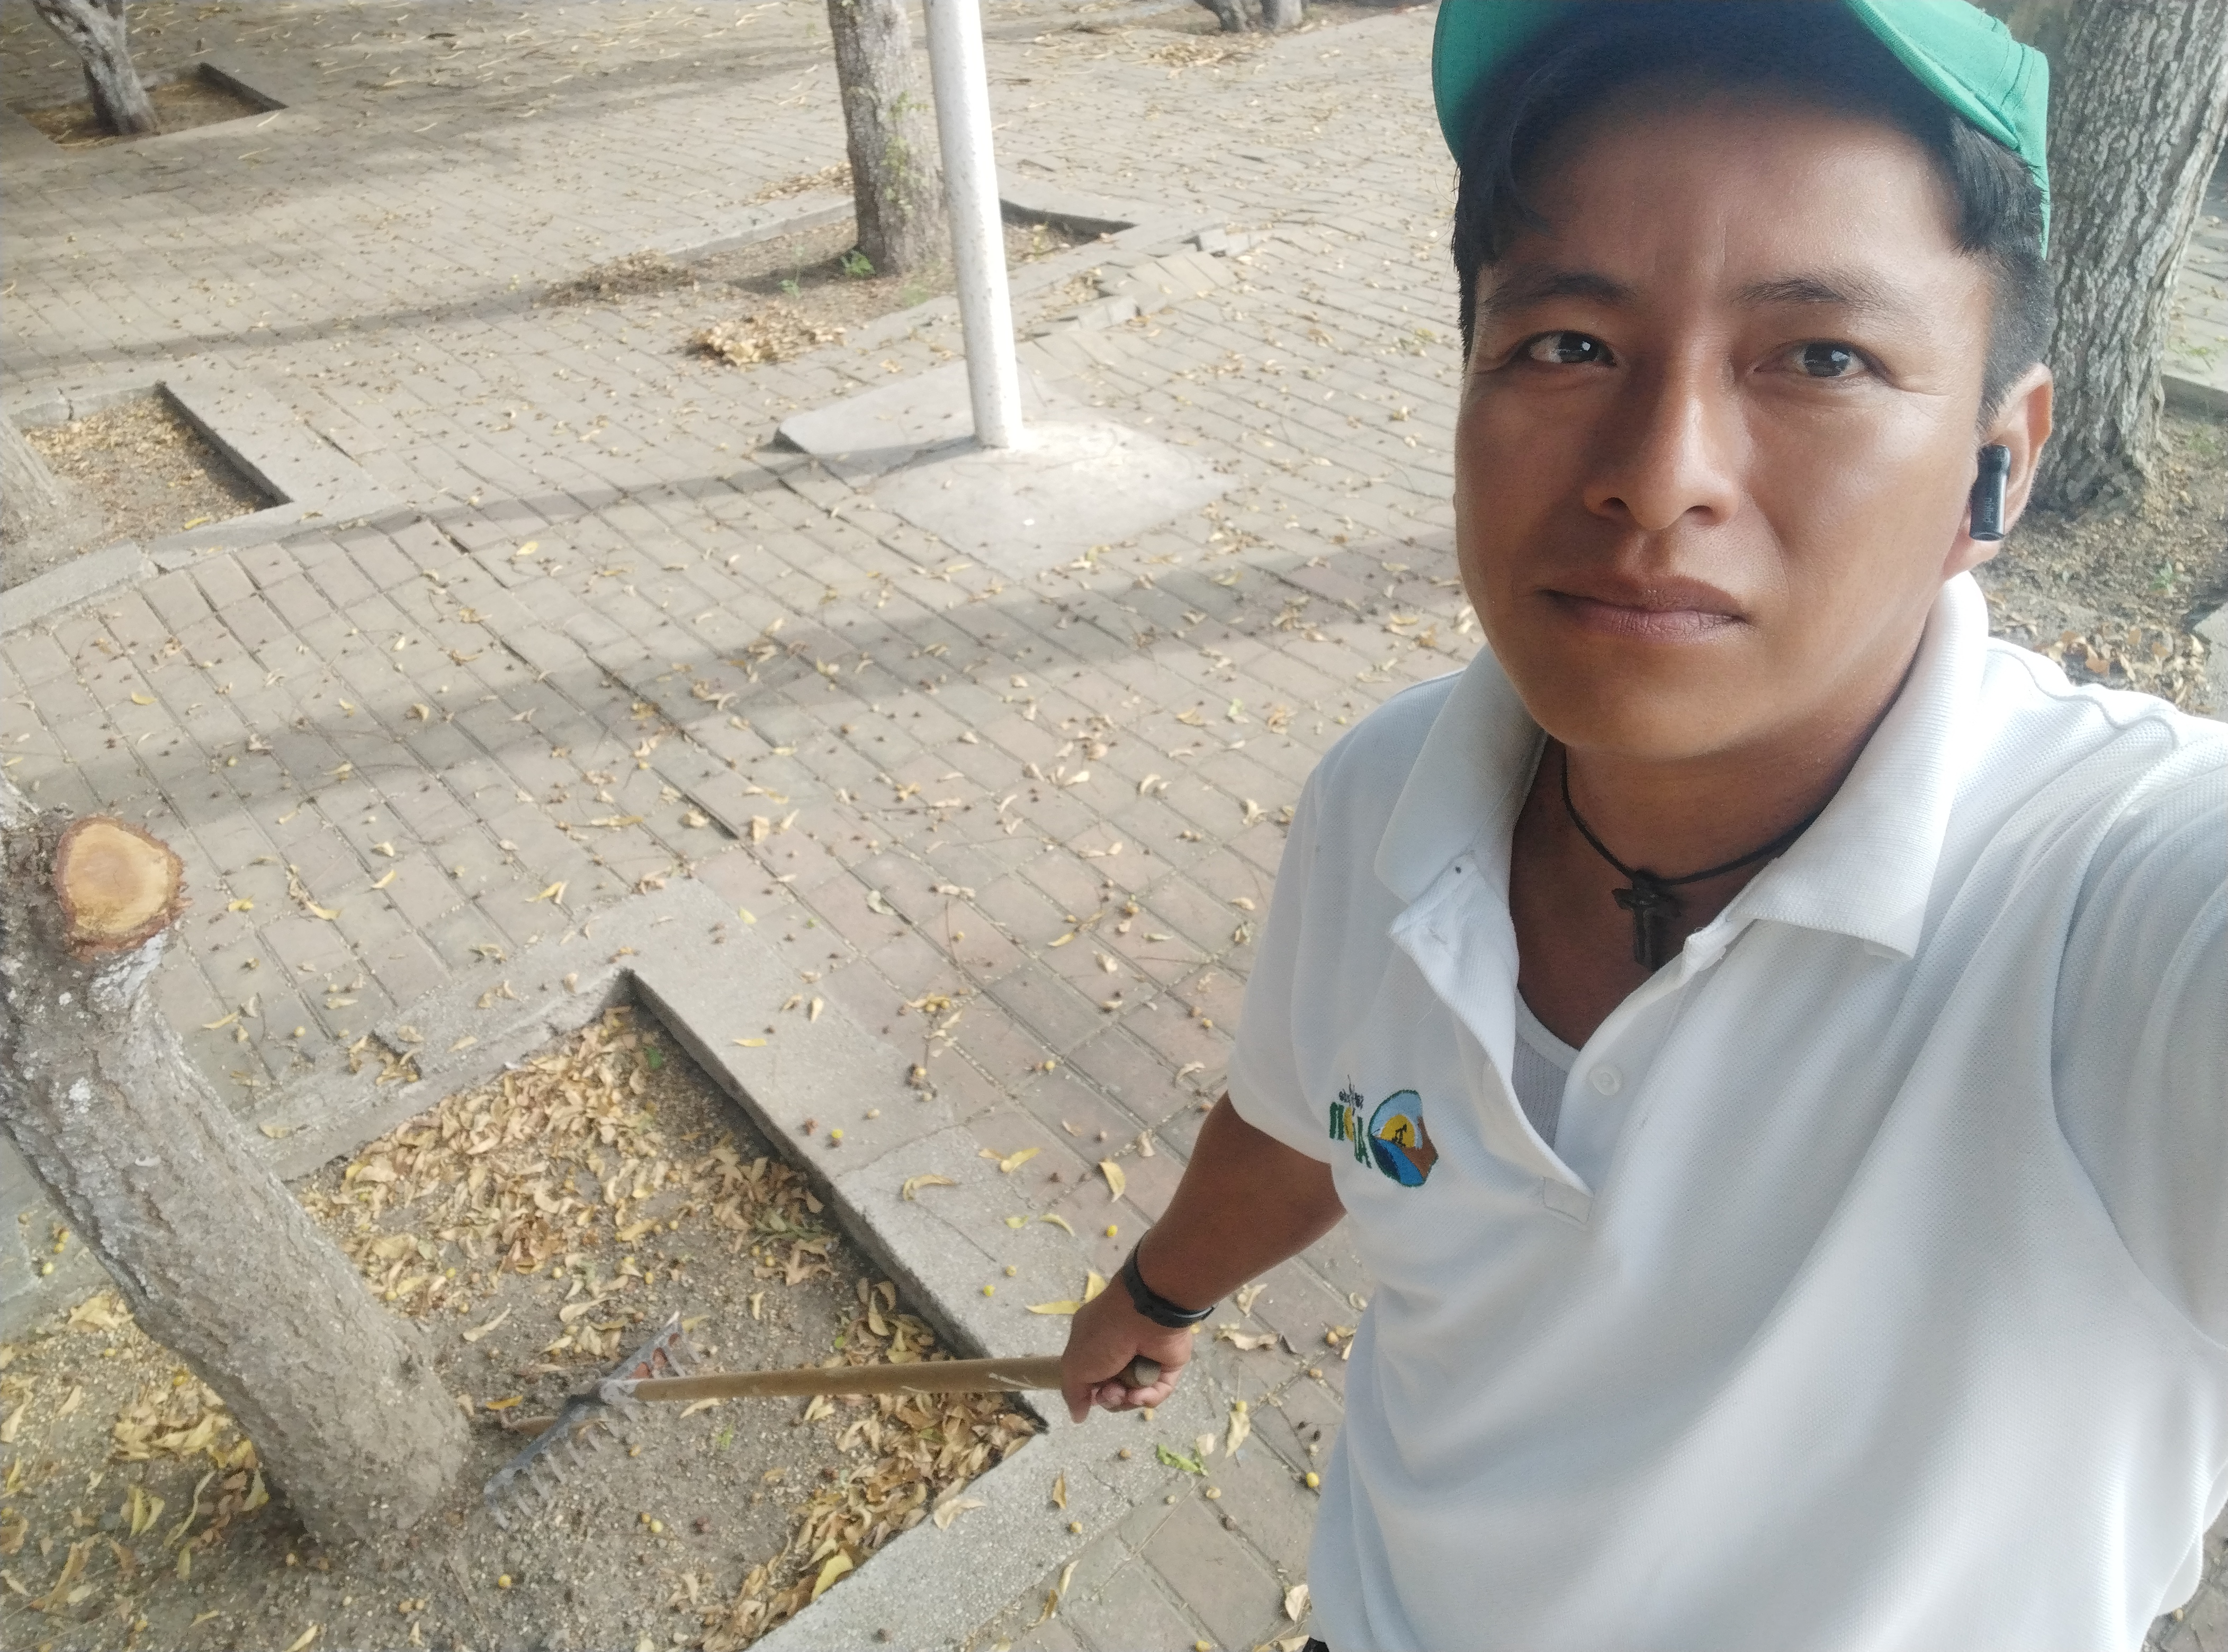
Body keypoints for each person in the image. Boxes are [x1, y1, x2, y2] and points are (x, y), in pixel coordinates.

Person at [1057, 2, 2228, 1647]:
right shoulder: (1385, 797)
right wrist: (1157, 1292)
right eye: (1567, 344)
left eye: (1821, 357)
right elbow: (1317, 1111)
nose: (1659, 475)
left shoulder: (2121, 916)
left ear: (1997, 465)